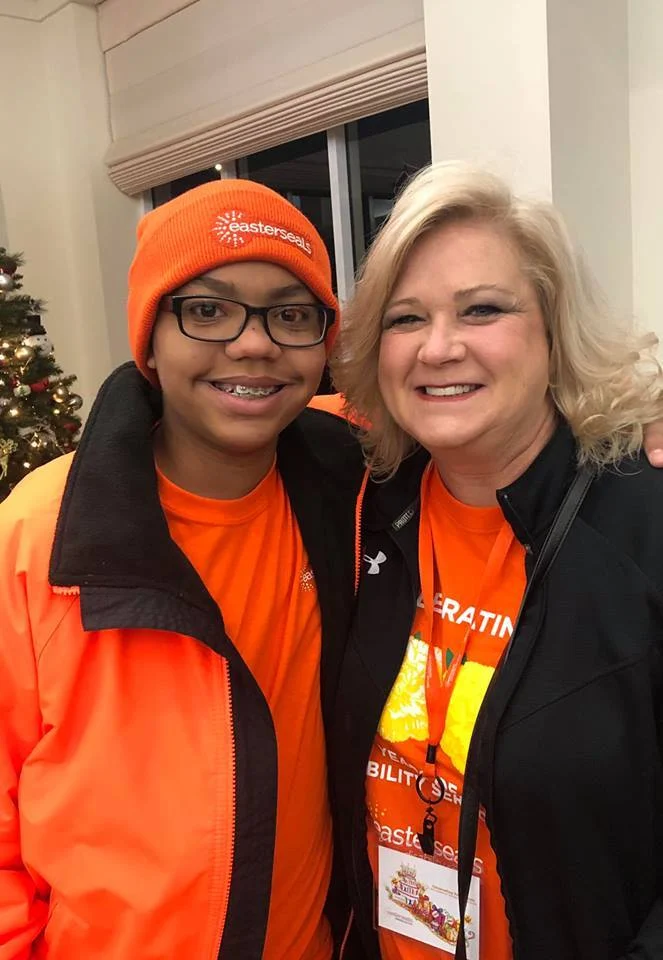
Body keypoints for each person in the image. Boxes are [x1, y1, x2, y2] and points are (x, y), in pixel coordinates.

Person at [0, 180, 367, 959]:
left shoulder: (352, 485)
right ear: (149, 339)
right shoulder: (38, 539)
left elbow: (468, 406)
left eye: (291, 315)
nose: (254, 345)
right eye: (207, 309)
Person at [328, 161, 663, 960]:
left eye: (481, 309)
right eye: (405, 319)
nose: (438, 347)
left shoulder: (642, 520)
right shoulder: (356, 497)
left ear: (552, 330)